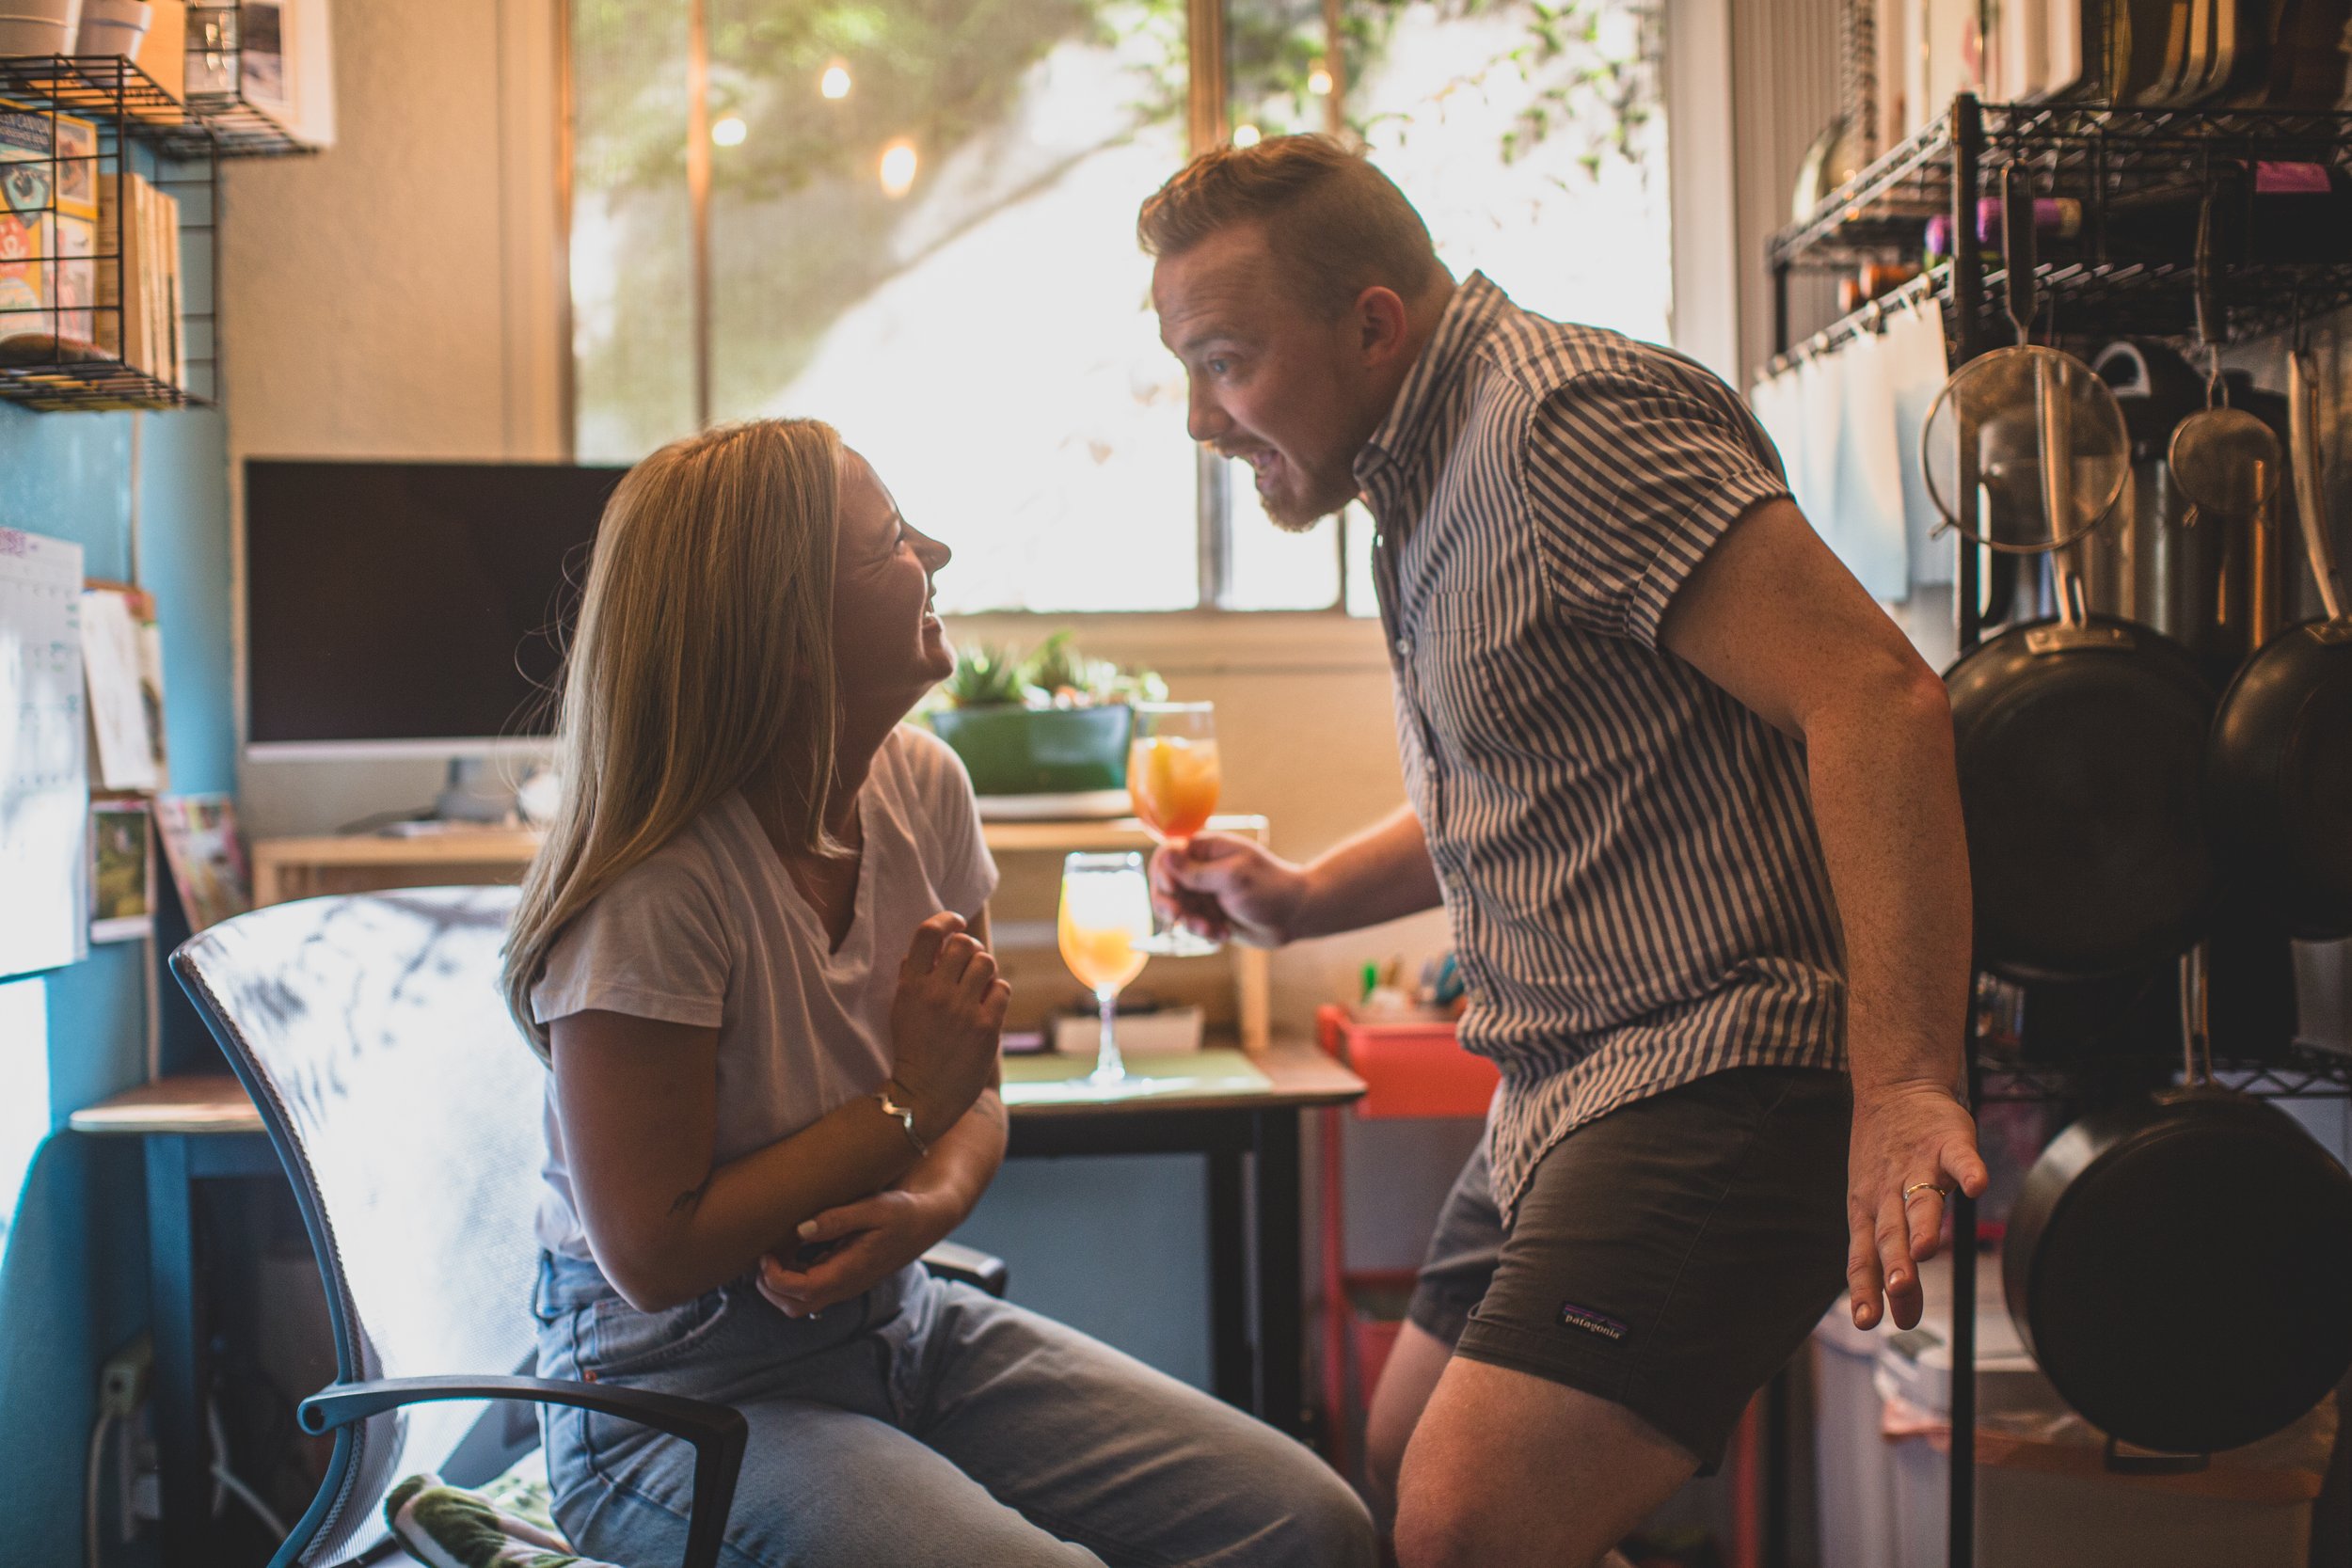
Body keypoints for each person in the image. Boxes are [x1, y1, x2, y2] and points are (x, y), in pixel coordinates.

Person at [1137, 136, 1987, 1568]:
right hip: (1566, 1084)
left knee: (1467, 1516)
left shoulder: (1562, 422)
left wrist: (1905, 1079)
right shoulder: (1424, 473)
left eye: (1224, 360)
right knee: (1406, 1456)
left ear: (1369, 324)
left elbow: (1873, 693)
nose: (1199, 418)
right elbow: (1531, 781)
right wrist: (1295, 902)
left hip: (1725, 1060)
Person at [500, 418, 1375, 1568]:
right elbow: (653, 1252)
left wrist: (925, 1206)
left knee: (1308, 1524)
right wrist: (904, 1104)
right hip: (677, 1392)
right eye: (890, 542)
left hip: (901, 1326)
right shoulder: (657, 890)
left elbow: (976, 1090)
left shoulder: (924, 787)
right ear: (789, 636)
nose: (939, 553)